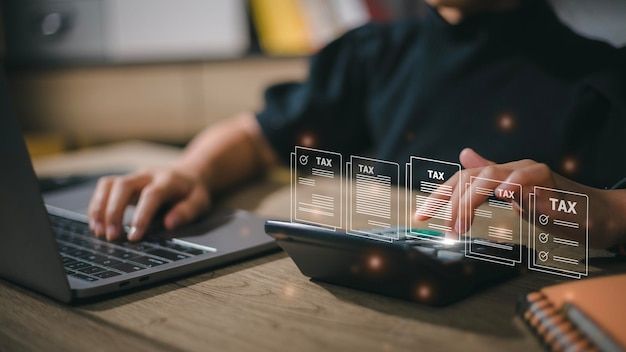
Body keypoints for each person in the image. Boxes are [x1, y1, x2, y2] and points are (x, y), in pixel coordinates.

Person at [87, 0, 626, 248]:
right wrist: (193, 170)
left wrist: (597, 209)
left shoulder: (605, 78)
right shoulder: (372, 54)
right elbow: (256, 136)